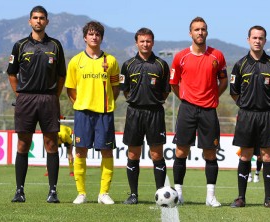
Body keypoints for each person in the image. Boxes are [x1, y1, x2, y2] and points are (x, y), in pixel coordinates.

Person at [7, 5, 66, 203]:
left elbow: (61, 76)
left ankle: (53, 191)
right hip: (26, 100)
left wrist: (54, 96)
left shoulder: (56, 45)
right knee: (23, 144)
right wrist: (21, 95)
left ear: (46, 21)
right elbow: (11, 73)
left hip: (49, 99)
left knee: (51, 144)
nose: (38, 21)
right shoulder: (20, 45)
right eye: (35, 17)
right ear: (29, 21)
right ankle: (19, 190)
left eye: (42, 18)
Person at [169, 17, 228, 207]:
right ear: (190, 33)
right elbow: (174, 84)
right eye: (196, 29)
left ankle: (210, 196)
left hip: (209, 110)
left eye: (203, 29)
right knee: (181, 150)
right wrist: (186, 99)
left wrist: (212, 97)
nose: (200, 32)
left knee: (210, 153)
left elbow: (224, 81)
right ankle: (178, 193)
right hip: (187, 109)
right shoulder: (180, 57)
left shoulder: (217, 56)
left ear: (207, 32)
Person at [65, 21, 120, 205]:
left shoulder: (111, 61)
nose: (94, 37)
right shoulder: (75, 61)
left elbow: (115, 88)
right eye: (91, 34)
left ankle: (103, 193)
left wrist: (104, 102)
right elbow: (70, 90)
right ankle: (81, 193)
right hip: (83, 113)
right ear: (85, 37)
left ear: (101, 38)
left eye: (97, 34)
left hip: (104, 113)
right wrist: (82, 103)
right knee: (80, 152)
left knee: (107, 152)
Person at [230, 25, 270, 208]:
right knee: (245, 156)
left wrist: (265, 105)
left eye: (261, 38)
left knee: (267, 156)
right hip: (246, 115)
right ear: (248, 40)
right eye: (254, 37)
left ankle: (268, 199)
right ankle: (241, 198)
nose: (257, 41)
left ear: (265, 41)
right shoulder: (239, 65)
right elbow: (234, 92)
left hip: (267, 116)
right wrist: (247, 107)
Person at [120, 28, 171, 204]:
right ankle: (133, 194)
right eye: (142, 41)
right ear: (136, 43)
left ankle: (160, 194)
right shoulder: (127, 65)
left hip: (155, 113)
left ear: (153, 42)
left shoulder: (161, 64)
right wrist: (137, 101)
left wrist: (152, 101)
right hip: (134, 112)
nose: (145, 44)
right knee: (133, 154)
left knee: (157, 155)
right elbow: (125, 90)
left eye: (148, 41)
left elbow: (165, 91)